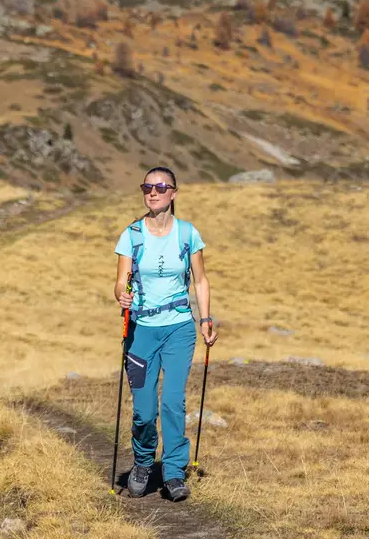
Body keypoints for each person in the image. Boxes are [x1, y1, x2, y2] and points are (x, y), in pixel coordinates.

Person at [113, 166, 216, 501]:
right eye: (147, 187)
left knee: (172, 402)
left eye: (160, 187)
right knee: (144, 410)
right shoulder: (131, 234)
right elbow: (120, 281)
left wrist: (205, 320)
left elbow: (200, 281)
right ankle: (143, 463)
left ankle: (173, 473)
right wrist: (121, 295)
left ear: (174, 192)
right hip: (141, 331)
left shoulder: (187, 234)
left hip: (178, 329)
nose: (152, 192)